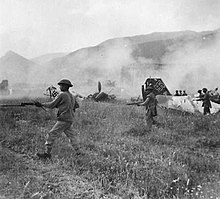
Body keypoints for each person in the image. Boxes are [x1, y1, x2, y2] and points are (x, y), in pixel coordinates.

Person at [35, 79, 79, 159]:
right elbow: (76, 106)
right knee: (72, 136)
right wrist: (63, 106)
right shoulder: (72, 95)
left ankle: (47, 154)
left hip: (63, 119)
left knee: (51, 134)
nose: (60, 87)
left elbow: (52, 104)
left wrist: (41, 104)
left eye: (61, 85)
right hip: (69, 119)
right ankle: (79, 152)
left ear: (65, 86)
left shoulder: (62, 95)